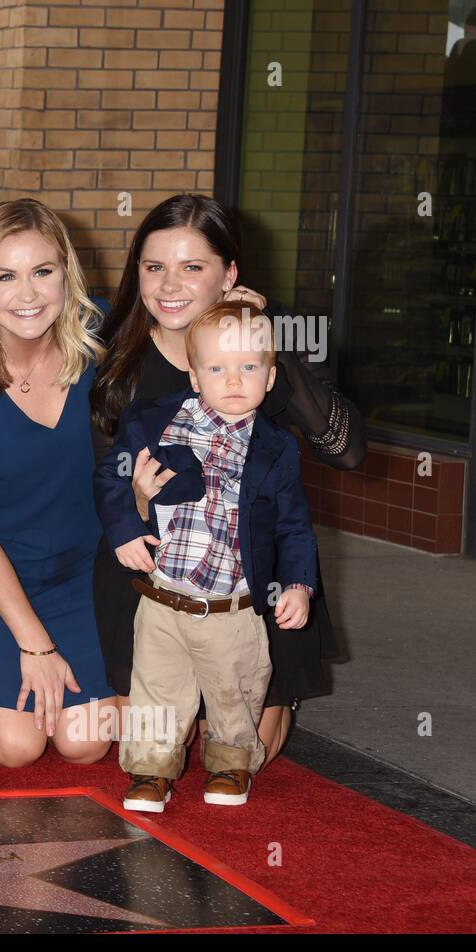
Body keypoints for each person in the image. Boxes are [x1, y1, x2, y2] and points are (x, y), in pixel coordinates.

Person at [90, 194, 364, 766]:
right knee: (151, 741)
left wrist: (263, 343)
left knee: (250, 751)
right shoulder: (116, 360)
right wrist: (135, 501)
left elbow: (346, 451)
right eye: (154, 266)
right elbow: (108, 484)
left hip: (251, 572)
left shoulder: (260, 353)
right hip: (153, 575)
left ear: (230, 274)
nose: (170, 285)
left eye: (193, 267)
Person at [96, 301, 318, 811]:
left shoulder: (278, 448)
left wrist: (299, 585)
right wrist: (126, 528)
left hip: (233, 605)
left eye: (248, 367)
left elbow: (293, 527)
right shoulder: (155, 421)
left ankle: (230, 764)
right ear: (195, 376)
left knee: (235, 692)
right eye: (217, 368)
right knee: (156, 690)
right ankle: (150, 771)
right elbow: (110, 476)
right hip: (164, 596)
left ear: (269, 376)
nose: (233, 380)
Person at [0, 199, 118, 768]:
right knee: (18, 749)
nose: (28, 294)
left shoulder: (103, 344)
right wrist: (33, 643)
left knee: (86, 743)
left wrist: (243, 309)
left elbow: (188, 318)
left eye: (43, 272)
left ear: (67, 275)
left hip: (80, 578)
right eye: (6, 276)